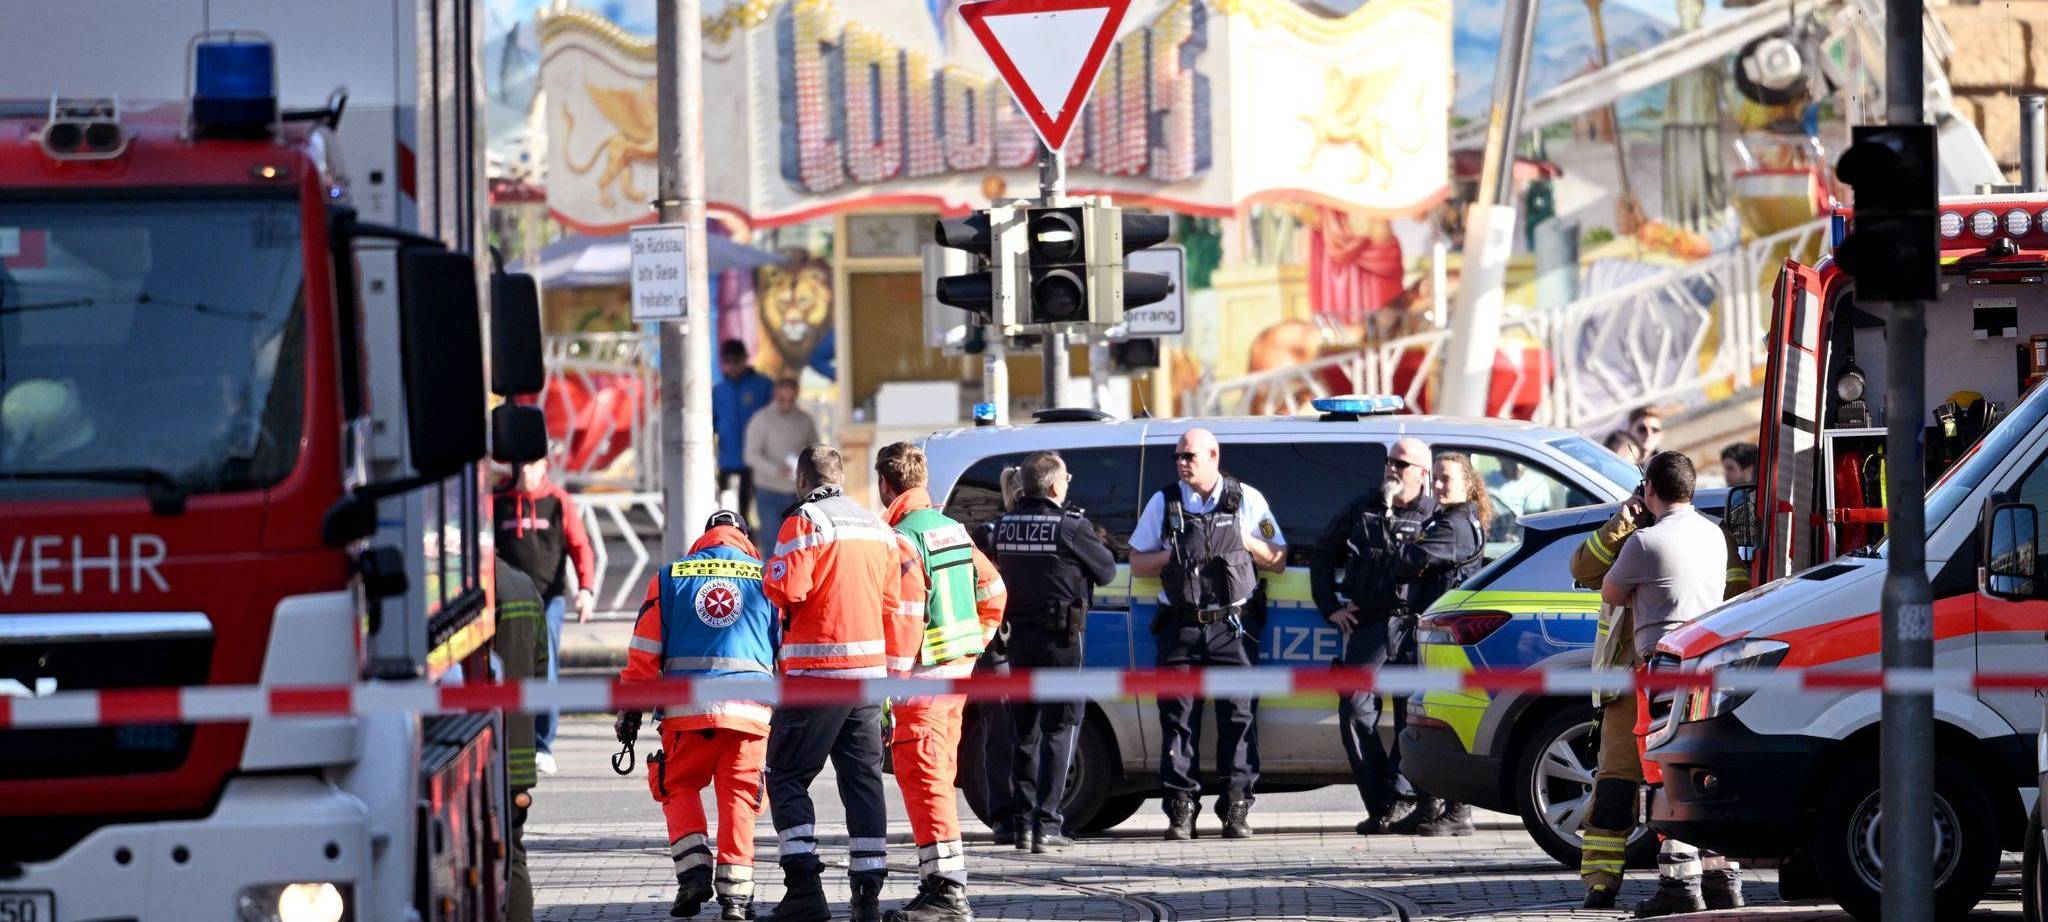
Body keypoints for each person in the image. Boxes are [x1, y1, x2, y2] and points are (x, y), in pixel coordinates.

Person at [1578, 451, 1743, 916]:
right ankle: (1720, 881)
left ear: (1649, 489)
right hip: (1704, 676)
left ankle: (1617, 886)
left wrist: (1627, 525)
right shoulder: (1716, 536)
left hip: (1648, 679)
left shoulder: (1644, 542)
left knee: (1631, 783)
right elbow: (1739, 593)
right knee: (1694, 778)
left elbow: (1602, 586)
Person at [760, 445, 907, 922]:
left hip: (815, 675)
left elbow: (785, 588)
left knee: (786, 776)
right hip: (867, 680)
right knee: (862, 781)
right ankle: (867, 894)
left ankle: (804, 888)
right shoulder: (877, 527)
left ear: (803, 480)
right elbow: (891, 598)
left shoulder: (804, 522)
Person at [616, 511, 778, 920]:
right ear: (743, 538)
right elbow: (787, 649)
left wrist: (631, 711)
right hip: (748, 716)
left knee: (680, 784)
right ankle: (736, 900)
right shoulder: (766, 577)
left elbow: (644, 652)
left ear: (705, 537)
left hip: (686, 714)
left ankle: (693, 875)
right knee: (740, 798)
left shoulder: (670, 578)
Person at [1129, 428, 1286, 840]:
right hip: (1180, 627)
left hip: (1232, 628)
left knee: (1239, 717)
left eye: (1189, 455)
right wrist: (1174, 553)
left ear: (1214, 455)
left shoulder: (1247, 499)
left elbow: (1279, 558)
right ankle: (1181, 810)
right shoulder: (1165, 501)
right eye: (1177, 456)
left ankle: (1236, 808)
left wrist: (1244, 540)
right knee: (1177, 720)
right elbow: (1137, 562)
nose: (1182, 462)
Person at [873, 442, 1007, 922]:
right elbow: (994, 591)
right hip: (955, 675)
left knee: (924, 779)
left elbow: (905, 619)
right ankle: (937, 883)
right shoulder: (953, 529)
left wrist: (887, 687)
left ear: (886, 485)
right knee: (934, 778)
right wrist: (973, 646)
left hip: (922, 679)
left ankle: (949, 892)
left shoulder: (902, 539)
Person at [990, 451, 1117, 853]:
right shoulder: (1070, 527)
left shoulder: (1001, 527)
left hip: (1016, 642)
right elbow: (1108, 571)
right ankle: (1047, 824)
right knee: (1059, 729)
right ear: (1056, 486)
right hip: (1061, 640)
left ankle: (1022, 824)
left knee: (1023, 732)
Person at [1310, 437, 1436, 836]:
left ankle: (1400, 798)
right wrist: (1330, 606)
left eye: (1402, 463)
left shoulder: (1434, 515)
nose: (1392, 469)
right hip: (1368, 624)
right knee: (1354, 710)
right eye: (1388, 461)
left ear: (1422, 473)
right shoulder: (1364, 507)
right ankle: (1381, 800)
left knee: (1408, 716)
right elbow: (1322, 554)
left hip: (1413, 625)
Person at [1384, 453, 1492, 836]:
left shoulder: (1456, 524)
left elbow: (1407, 560)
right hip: (1437, 635)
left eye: (1447, 479)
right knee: (1426, 719)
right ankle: (1429, 807)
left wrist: (1401, 550)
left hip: (1446, 641)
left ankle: (1458, 811)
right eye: (1437, 479)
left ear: (1467, 484)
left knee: (1443, 721)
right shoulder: (1449, 519)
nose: (1439, 486)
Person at [493, 456, 598, 774]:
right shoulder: (497, 502)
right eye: (518, 464)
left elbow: (581, 546)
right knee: (503, 669)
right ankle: (505, 738)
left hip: (548, 599)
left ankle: (542, 744)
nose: (523, 470)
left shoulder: (558, 501)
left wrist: (586, 590)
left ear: (544, 466)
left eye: (530, 464)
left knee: (546, 666)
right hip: (507, 601)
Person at [968, 466, 1026, 844]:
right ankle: (1023, 812)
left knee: (999, 733)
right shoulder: (992, 535)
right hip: (1017, 640)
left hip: (995, 644)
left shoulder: (988, 533)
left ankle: (1005, 814)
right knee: (1028, 730)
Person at [494, 557, 550, 922]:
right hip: (517, 754)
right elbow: (541, 669)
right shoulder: (523, 584)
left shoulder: (462, 586)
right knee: (513, 853)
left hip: (483, 750)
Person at [744, 378, 820, 535]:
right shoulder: (761, 419)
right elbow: (750, 455)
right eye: (782, 400)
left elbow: (816, 450)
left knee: (798, 540)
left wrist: (805, 458)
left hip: (798, 491)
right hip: (768, 490)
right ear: (774, 396)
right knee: (772, 542)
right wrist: (775, 469)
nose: (786, 404)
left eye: (790, 400)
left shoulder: (805, 420)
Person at [714, 340, 777, 529]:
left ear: (744, 360)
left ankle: (764, 543)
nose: (732, 366)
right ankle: (739, 543)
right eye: (728, 361)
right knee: (731, 510)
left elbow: (774, 418)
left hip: (758, 458)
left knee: (763, 506)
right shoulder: (718, 391)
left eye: (736, 360)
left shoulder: (763, 385)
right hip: (728, 459)